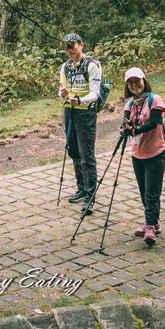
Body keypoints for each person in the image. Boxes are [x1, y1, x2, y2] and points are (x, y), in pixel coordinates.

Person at [121, 67, 165, 246]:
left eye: (137, 81)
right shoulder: (130, 104)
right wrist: (125, 129)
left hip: (156, 152)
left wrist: (136, 129)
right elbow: (126, 122)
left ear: (144, 80)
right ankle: (153, 221)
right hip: (137, 154)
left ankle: (149, 225)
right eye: (130, 82)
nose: (134, 85)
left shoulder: (155, 99)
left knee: (152, 193)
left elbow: (155, 122)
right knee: (144, 191)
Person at [58, 32, 102, 213]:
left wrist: (81, 101)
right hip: (69, 111)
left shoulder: (92, 64)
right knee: (74, 151)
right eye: (67, 47)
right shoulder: (65, 66)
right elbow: (63, 88)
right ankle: (82, 189)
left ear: (81, 45)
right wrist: (62, 94)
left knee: (87, 155)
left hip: (86, 113)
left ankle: (91, 195)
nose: (70, 50)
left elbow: (95, 93)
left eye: (73, 46)